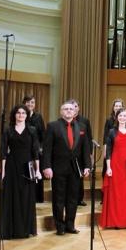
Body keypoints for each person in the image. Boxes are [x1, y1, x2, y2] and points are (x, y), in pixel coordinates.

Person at [42, 100, 90, 235]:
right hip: (58, 168)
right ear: (61, 112)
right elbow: (47, 149)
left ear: (75, 112)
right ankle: (60, 226)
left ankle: (70, 225)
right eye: (66, 109)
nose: (69, 111)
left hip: (75, 168)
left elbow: (85, 149)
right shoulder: (53, 126)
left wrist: (87, 166)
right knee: (58, 198)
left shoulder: (82, 127)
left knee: (73, 198)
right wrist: (47, 166)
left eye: (71, 109)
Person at [0, 104, 40, 239]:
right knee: (12, 196)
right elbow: (3, 152)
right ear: (14, 115)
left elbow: (35, 152)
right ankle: (11, 230)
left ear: (27, 115)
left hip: (28, 166)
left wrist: (37, 170)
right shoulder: (8, 130)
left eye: (23, 113)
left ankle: (25, 229)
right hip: (12, 166)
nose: (21, 115)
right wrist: (3, 171)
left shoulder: (32, 130)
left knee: (26, 196)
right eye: (18, 113)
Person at [101, 108, 126, 229]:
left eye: (125, 116)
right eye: (120, 115)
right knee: (116, 195)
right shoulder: (112, 132)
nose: (123, 118)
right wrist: (108, 167)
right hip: (116, 166)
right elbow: (108, 151)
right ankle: (114, 221)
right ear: (117, 117)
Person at [23, 95, 46, 204]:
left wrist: (41, 147)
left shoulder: (38, 117)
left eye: (32, 102)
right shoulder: (21, 115)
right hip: (24, 149)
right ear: (24, 103)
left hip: (36, 149)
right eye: (28, 102)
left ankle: (37, 198)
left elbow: (43, 133)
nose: (30, 104)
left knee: (37, 172)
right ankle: (26, 197)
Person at [72, 100, 93, 207]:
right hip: (70, 154)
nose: (74, 108)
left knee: (80, 177)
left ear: (79, 108)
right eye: (72, 106)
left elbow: (89, 138)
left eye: (76, 106)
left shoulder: (84, 121)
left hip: (81, 154)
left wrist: (90, 153)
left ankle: (79, 199)